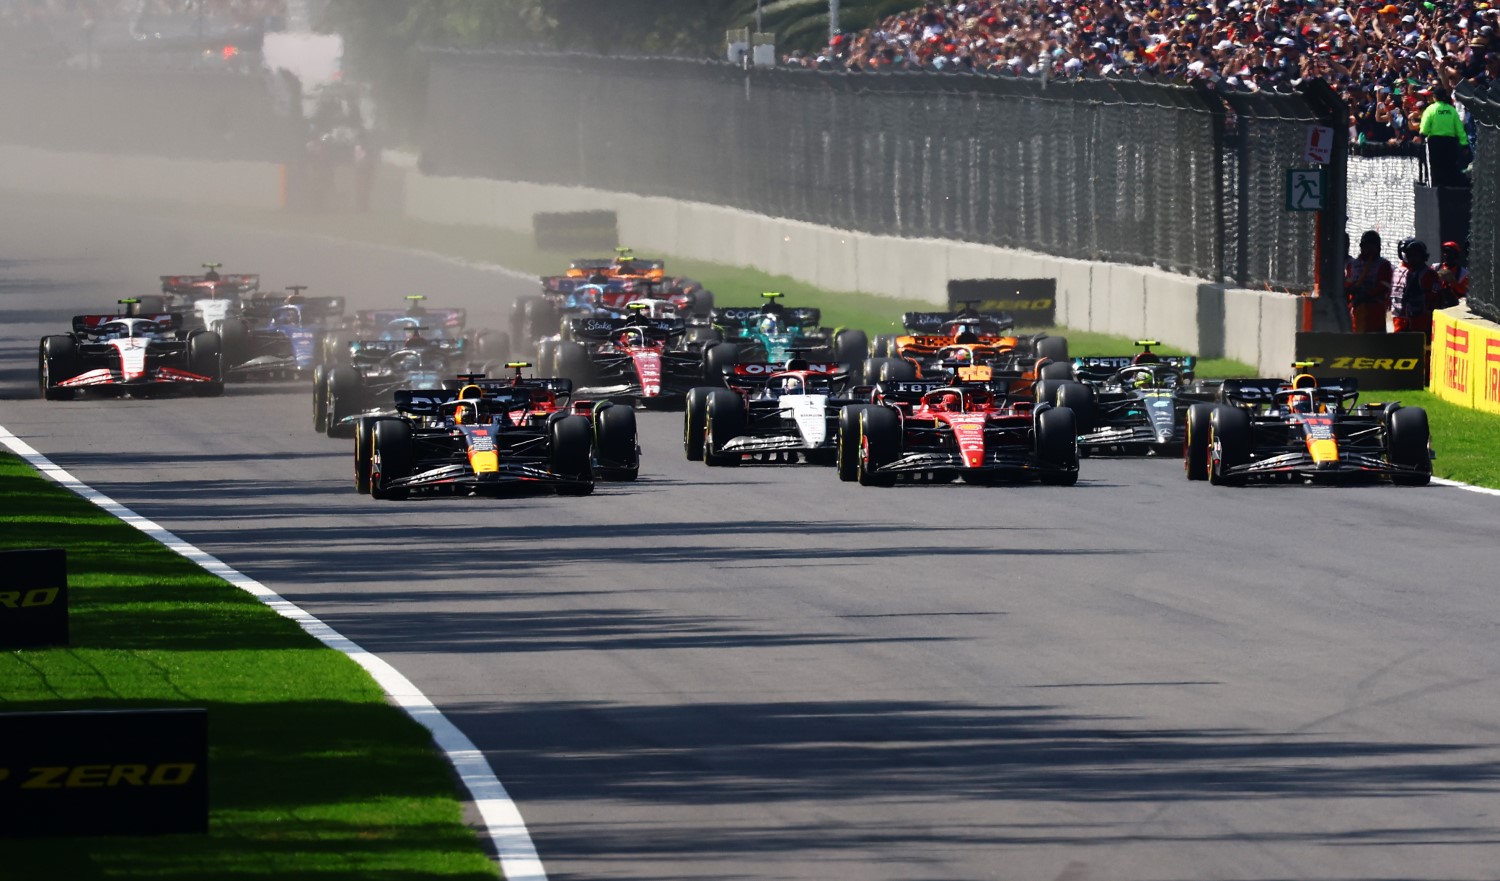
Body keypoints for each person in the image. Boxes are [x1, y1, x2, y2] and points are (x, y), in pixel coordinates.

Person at [1390, 239, 1444, 340]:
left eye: (1416, 254)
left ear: (1422, 256)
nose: (1412, 258)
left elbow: (1435, 299)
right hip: (1407, 320)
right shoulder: (1409, 273)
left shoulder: (1429, 274)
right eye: (1410, 254)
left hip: (1423, 322)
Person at [1420, 87, 1470, 188]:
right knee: (1450, 165)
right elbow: (1459, 129)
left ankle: (1438, 190)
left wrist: (1422, 135)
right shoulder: (1452, 110)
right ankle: (1450, 189)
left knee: (1436, 166)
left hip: (1435, 142)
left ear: (1434, 97)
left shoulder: (1430, 109)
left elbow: (1424, 128)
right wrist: (1464, 144)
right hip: (1450, 142)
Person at [1345, 230, 1394, 333]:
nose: (1370, 249)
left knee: (1374, 342)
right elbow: (1348, 284)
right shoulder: (1353, 264)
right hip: (1356, 308)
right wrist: (1350, 289)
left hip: (1375, 309)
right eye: (1367, 246)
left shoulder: (1384, 265)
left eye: (1373, 246)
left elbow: (1384, 287)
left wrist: (1368, 293)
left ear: (1378, 247)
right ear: (1362, 246)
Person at [1435, 241, 1469, 308]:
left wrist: (1453, 282)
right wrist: (1436, 277)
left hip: (1453, 305)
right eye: (1445, 252)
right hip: (1437, 303)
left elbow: (1462, 293)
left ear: (1456, 254)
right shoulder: (1436, 267)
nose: (1446, 255)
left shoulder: (1463, 273)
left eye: (1449, 252)